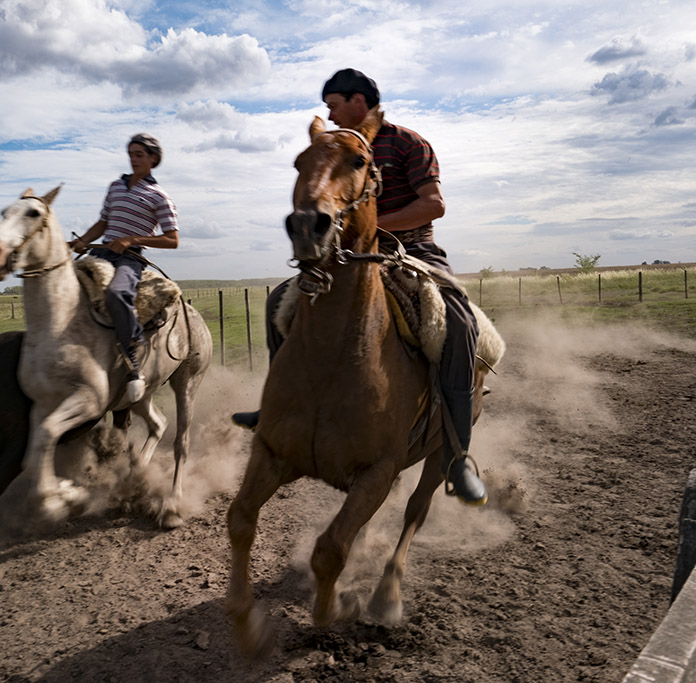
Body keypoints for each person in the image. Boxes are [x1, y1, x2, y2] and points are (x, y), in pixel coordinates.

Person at [231, 69, 487, 506]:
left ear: (358, 101)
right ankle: (274, 408)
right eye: (327, 107)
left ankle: (457, 454)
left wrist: (369, 228)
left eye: (333, 103)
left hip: (411, 250)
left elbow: (433, 204)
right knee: (280, 301)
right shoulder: (331, 148)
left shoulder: (408, 143)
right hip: (344, 256)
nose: (328, 113)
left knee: (459, 322)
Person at [70, 133, 179, 402]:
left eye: (139, 154)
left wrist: (132, 239)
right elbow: (104, 222)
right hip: (102, 251)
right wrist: (83, 241)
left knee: (118, 294)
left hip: (131, 258)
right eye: (131, 154)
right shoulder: (115, 187)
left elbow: (172, 239)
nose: (133, 159)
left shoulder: (159, 196)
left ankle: (132, 355)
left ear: (153, 159)